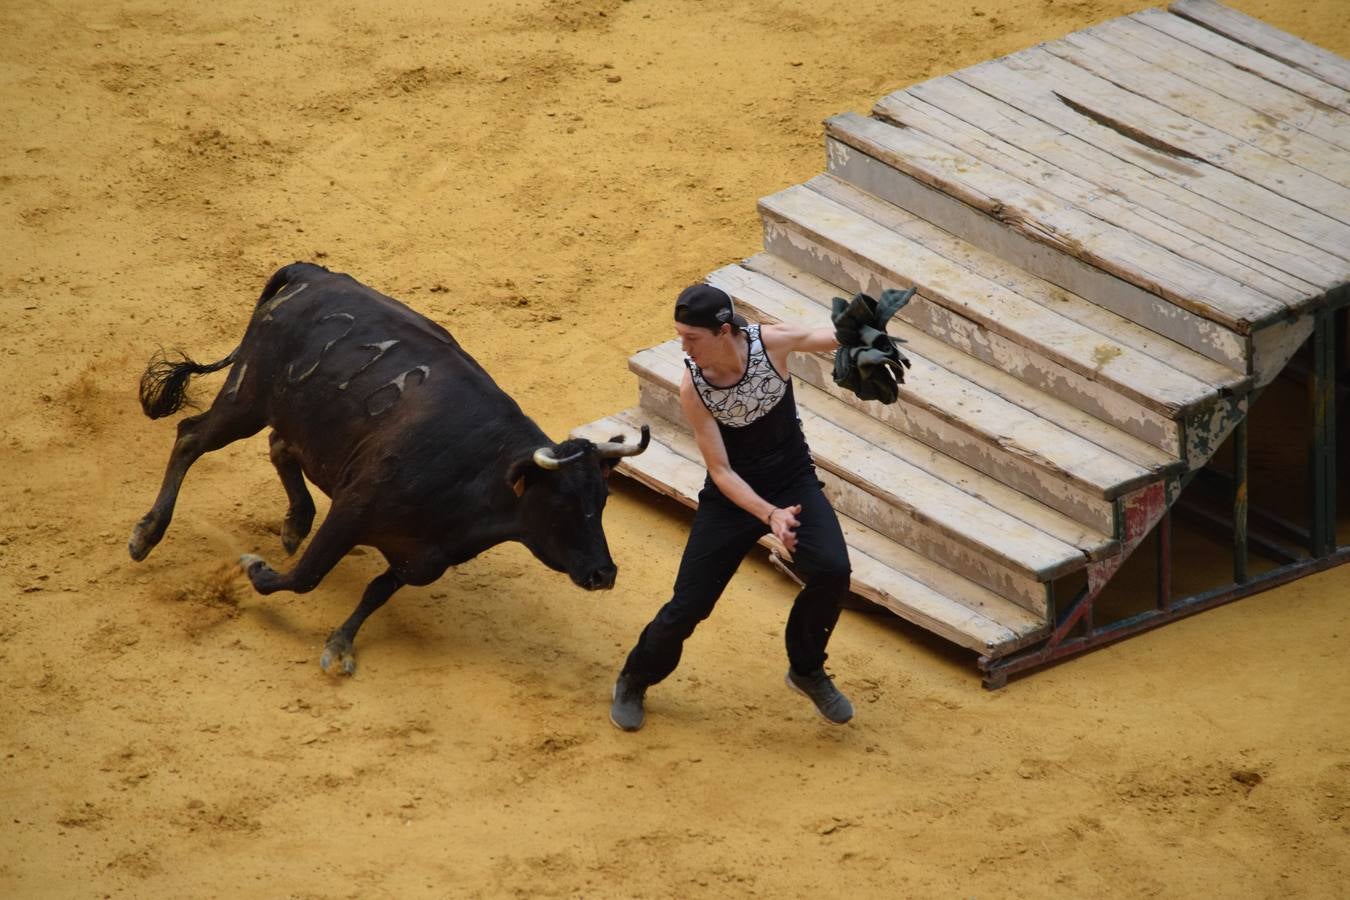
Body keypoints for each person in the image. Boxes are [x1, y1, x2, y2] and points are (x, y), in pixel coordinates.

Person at [611, 283, 854, 731]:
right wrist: (770, 515)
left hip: (792, 481)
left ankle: (805, 668)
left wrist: (863, 326)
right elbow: (721, 472)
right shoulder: (693, 387)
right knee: (689, 606)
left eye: (692, 338)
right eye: (679, 335)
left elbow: (828, 336)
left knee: (833, 572)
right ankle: (635, 678)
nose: (683, 346)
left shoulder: (770, 344)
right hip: (731, 498)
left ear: (724, 331)